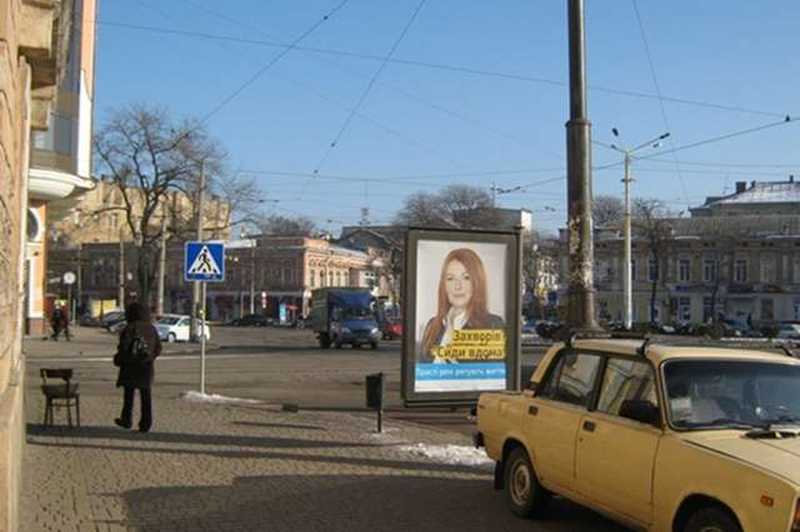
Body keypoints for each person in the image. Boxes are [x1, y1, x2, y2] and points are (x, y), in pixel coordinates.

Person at [419, 248, 505, 363]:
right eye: (450, 279)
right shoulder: (432, 326)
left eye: (466, 278)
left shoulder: (493, 325)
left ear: (477, 282)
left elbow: (494, 372)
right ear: (444, 285)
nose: (458, 286)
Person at [113, 302, 161, 432]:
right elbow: (158, 348)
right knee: (146, 397)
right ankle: (146, 423)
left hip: (130, 367)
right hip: (146, 367)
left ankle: (126, 419)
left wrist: (119, 359)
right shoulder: (151, 328)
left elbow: (123, 348)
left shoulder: (129, 328)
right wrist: (150, 358)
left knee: (128, 396)